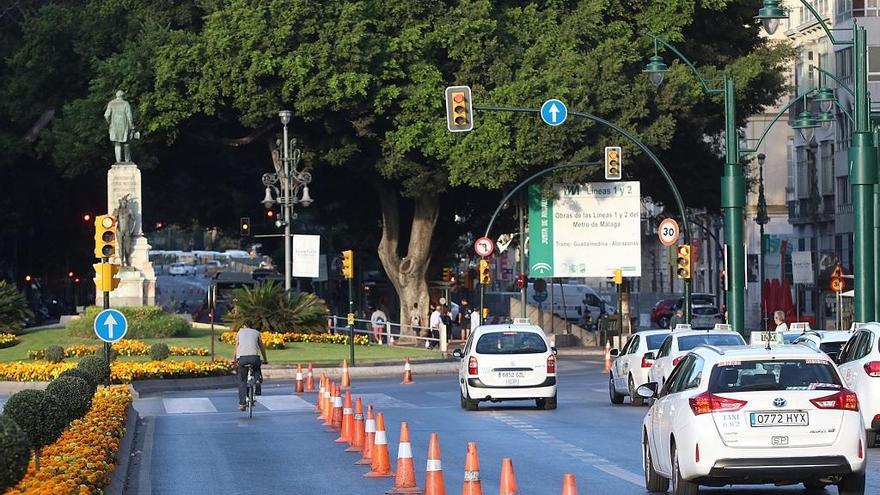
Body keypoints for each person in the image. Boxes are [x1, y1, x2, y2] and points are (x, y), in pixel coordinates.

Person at [234, 322, 268, 411]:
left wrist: (234, 359)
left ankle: (242, 404)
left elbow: (236, 346)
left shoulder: (240, 332)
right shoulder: (256, 332)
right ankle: (256, 380)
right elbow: (262, 347)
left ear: (243, 326)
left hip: (242, 359)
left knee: (242, 380)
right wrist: (265, 359)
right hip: (254, 358)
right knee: (257, 367)